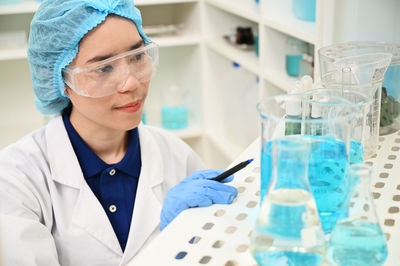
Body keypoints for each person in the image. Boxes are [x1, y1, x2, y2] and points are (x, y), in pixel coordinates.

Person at [0, 0, 238, 265]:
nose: (131, 83)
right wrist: (163, 243)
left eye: (137, 56)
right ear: (59, 79)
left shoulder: (177, 155)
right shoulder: (15, 178)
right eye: (103, 67)